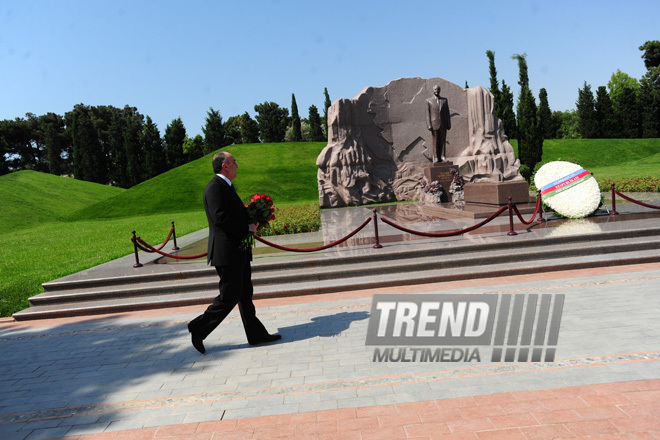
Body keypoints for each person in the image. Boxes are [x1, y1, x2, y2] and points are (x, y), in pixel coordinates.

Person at [187, 152, 281, 354]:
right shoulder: (215, 188)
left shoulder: (225, 186)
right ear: (224, 166)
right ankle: (198, 327)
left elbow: (230, 213)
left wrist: (252, 215)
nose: (237, 165)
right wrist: (245, 228)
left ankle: (256, 335)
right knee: (229, 296)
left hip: (237, 251)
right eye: (234, 162)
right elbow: (220, 219)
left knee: (245, 294)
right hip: (227, 253)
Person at [426, 84, 452, 163]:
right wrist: (429, 124)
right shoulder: (428, 101)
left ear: (440, 90)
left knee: (443, 140)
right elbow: (427, 114)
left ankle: (443, 156)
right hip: (434, 124)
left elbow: (447, 113)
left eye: (438, 89)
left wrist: (448, 123)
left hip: (443, 124)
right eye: (435, 89)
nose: (436, 91)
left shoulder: (444, 100)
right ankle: (436, 157)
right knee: (435, 141)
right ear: (433, 90)